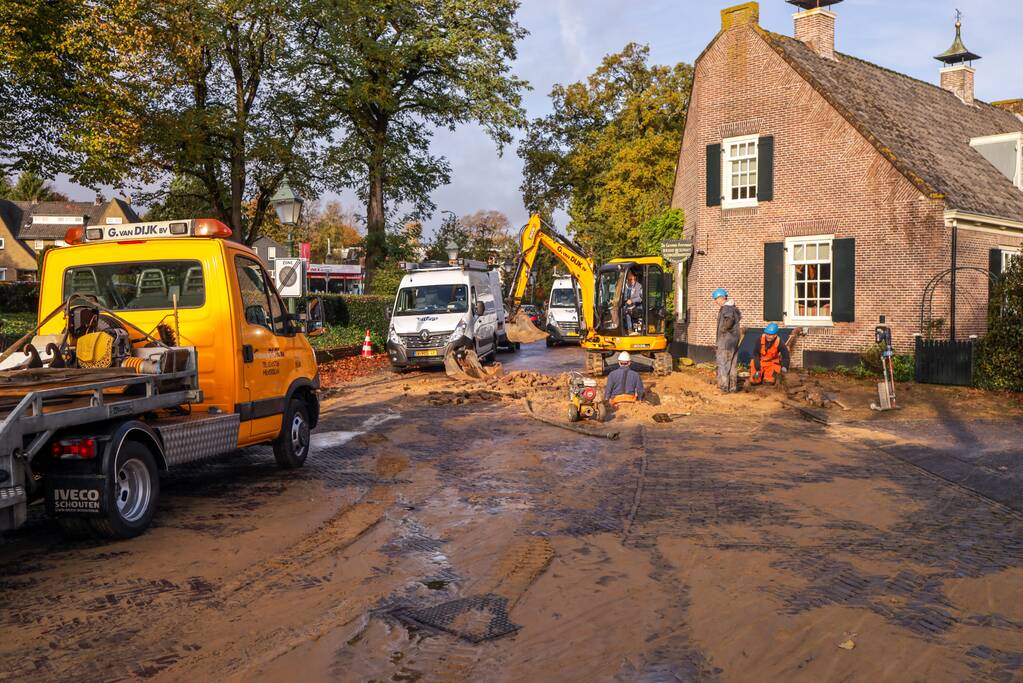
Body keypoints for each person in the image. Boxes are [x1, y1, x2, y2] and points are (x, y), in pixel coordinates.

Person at [713, 288, 741, 393]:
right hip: (734, 341)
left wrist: (724, 330)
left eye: (716, 299)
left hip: (726, 341)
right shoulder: (734, 308)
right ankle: (733, 388)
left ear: (722, 297)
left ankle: (724, 388)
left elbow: (729, 320)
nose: (715, 301)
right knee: (732, 364)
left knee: (723, 363)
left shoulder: (726, 308)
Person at [623, 271, 643, 335]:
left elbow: (640, 298)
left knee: (627, 312)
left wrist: (632, 300)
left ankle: (630, 330)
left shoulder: (638, 286)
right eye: (630, 279)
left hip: (637, 306)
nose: (632, 281)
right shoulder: (625, 286)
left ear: (635, 278)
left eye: (633, 279)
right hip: (627, 305)